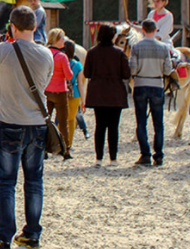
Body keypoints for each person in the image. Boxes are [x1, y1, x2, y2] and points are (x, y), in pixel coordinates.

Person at [0, 6, 53, 249]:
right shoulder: (47, 54)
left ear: (12, 27)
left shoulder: (3, 49)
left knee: (7, 183)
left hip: (11, 120)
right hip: (37, 123)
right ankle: (32, 233)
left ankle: (4, 235)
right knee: (34, 181)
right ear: (35, 27)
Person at [83, 24, 130, 166]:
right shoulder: (119, 53)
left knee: (100, 126)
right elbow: (126, 74)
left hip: (98, 92)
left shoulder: (92, 52)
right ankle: (113, 158)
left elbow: (87, 73)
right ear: (113, 36)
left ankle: (98, 158)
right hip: (115, 92)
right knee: (114, 127)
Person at [129, 19, 173, 166]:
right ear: (155, 30)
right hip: (157, 84)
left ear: (143, 30)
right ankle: (159, 155)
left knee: (141, 122)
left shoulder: (136, 47)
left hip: (141, 84)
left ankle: (145, 154)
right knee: (158, 122)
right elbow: (167, 70)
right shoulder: (163, 47)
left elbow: (133, 69)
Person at [45, 28, 73, 160]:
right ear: (57, 40)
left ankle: (43, 148)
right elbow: (68, 75)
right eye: (62, 38)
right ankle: (65, 150)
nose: (64, 41)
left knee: (45, 120)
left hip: (46, 90)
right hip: (60, 91)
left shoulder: (44, 53)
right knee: (63, 122)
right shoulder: (62, 57)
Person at [62, 40, 85, 151]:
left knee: (61, 119)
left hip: (61, 92)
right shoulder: (77, 65)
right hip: (74, 93)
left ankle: (59, 142)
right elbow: (80, 84)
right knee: (71, 120)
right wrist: (83, 100)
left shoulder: (59, 61)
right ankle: (68, 143)